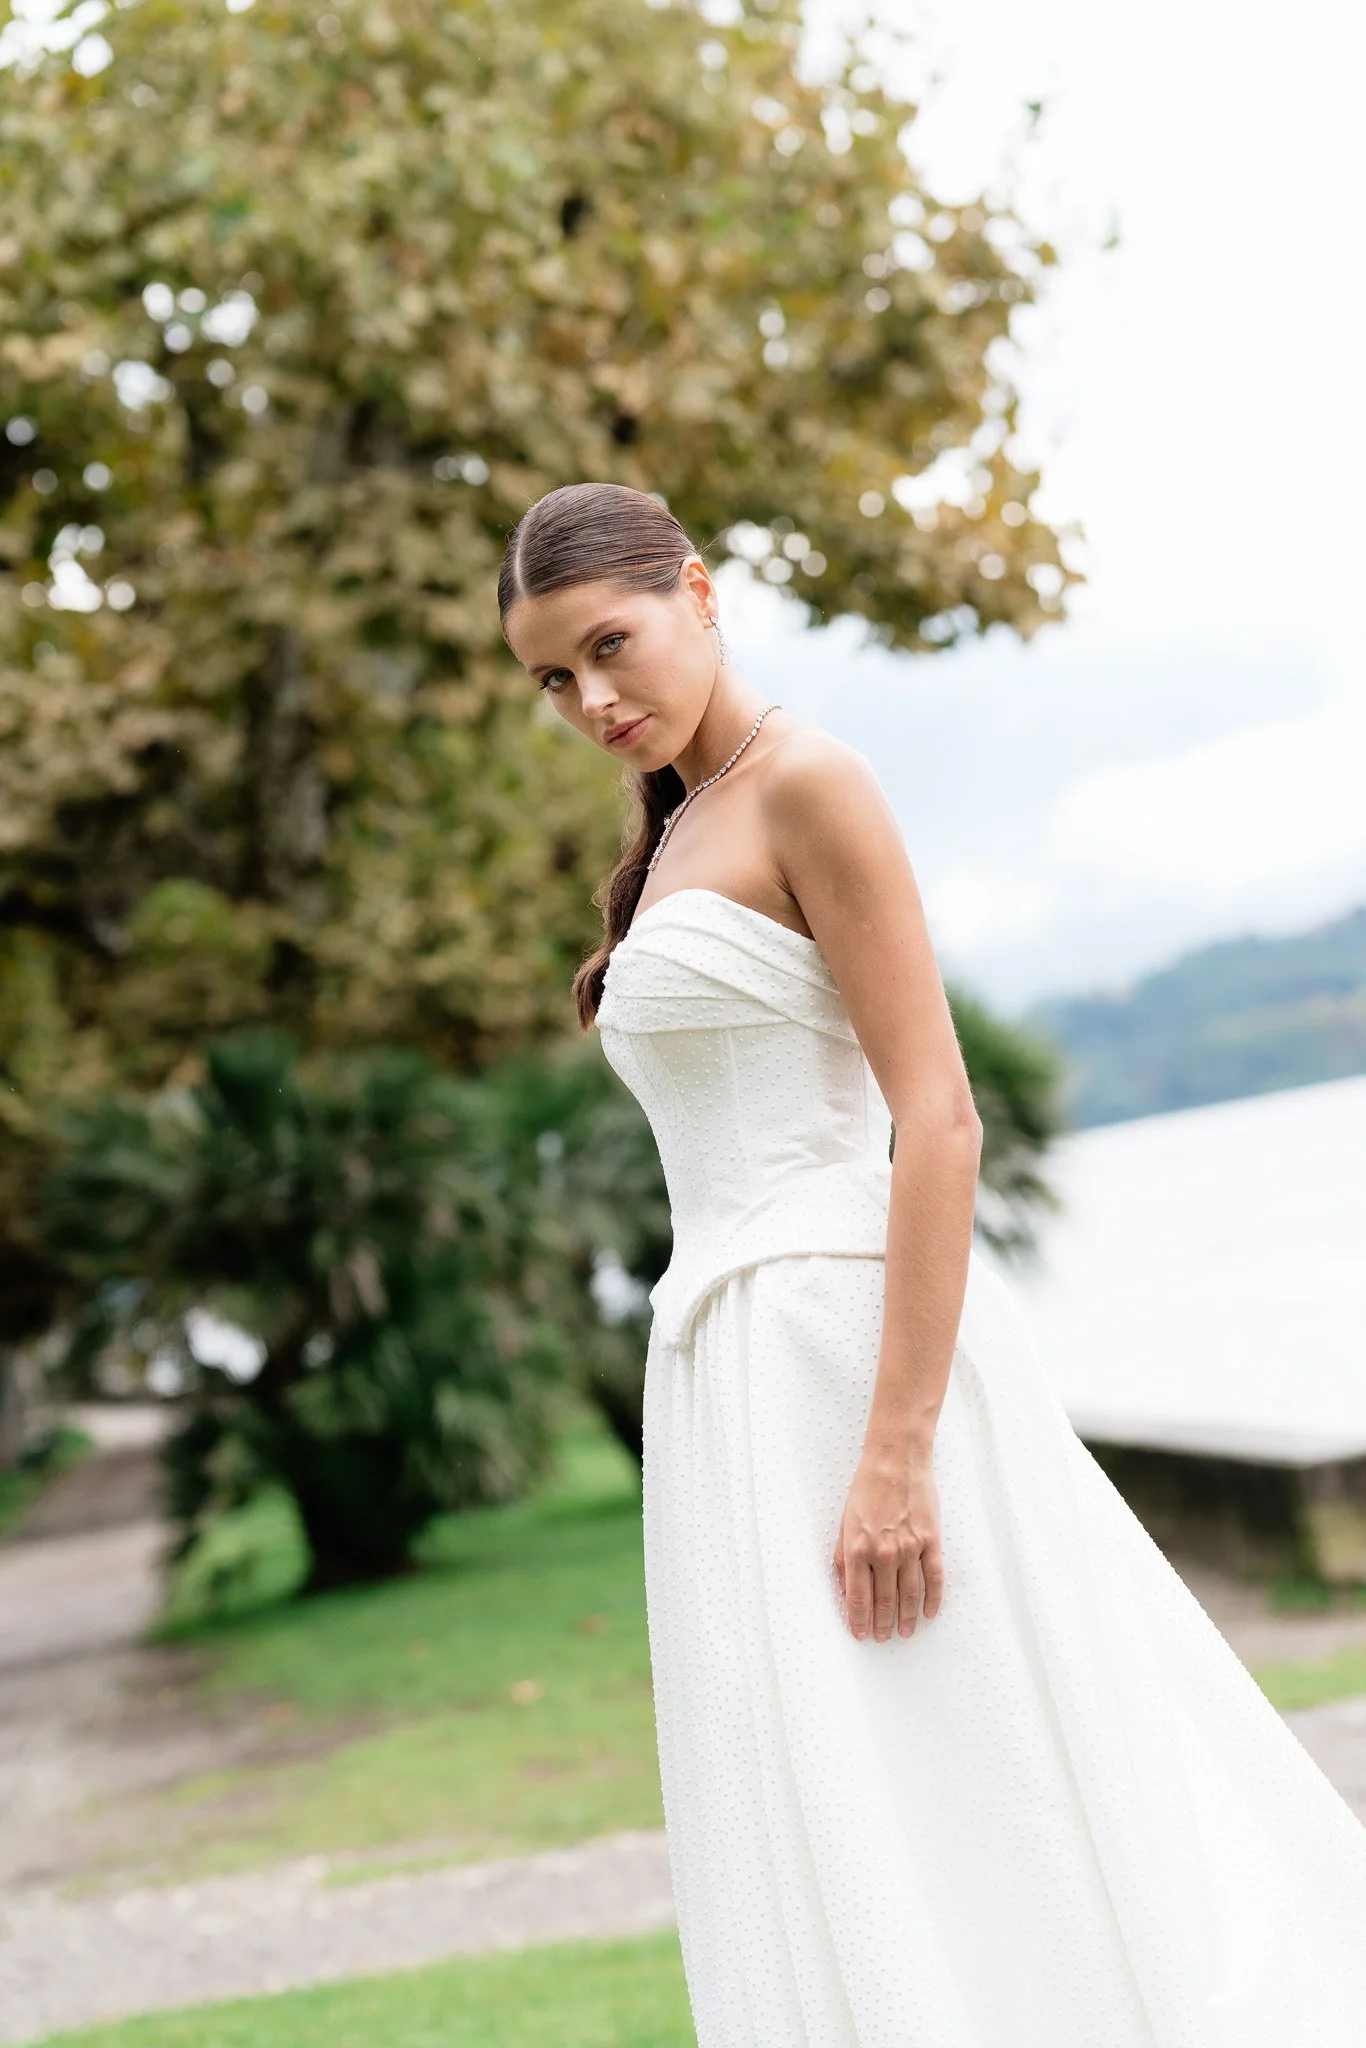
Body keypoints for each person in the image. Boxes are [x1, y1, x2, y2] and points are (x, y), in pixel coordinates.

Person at [499, 481, 1366, 2046]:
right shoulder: (687, 826)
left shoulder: (811, 783)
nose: (590, 700)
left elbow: (939, 1119)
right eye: (552, 679)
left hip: (848, 1355)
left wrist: (894, 1449)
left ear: (699, 592)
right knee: (836, 1781)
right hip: (732, 1376)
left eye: (606, 648)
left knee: (969, 1754)